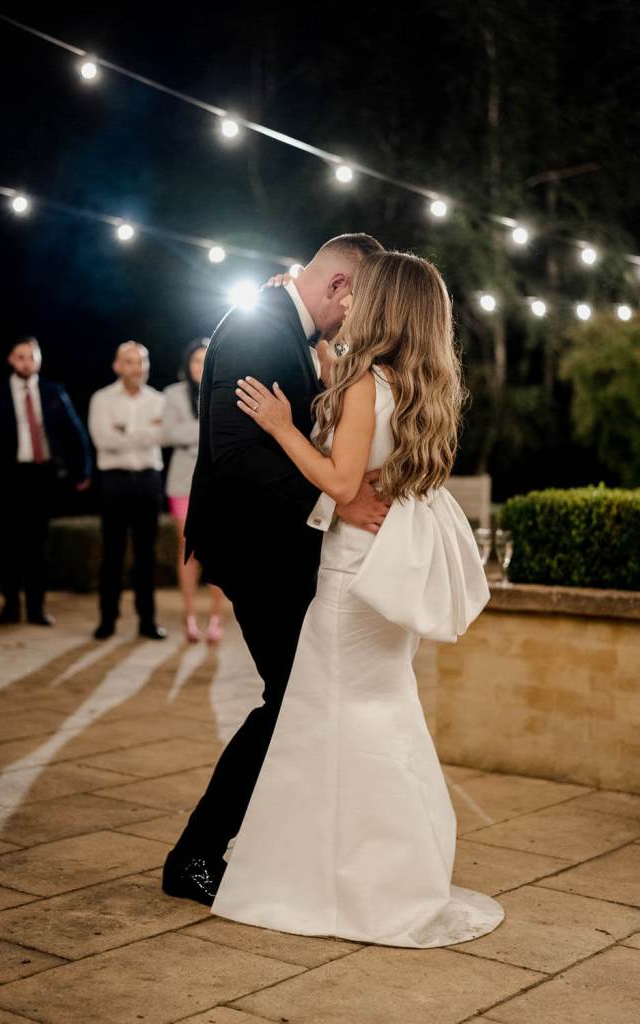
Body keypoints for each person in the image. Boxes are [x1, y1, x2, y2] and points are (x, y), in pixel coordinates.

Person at [210, 250, 504, 947]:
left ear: (385, 308)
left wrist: (282, 427)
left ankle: (350, 882)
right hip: (385, 571)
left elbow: (343, 487)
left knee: (337, 717)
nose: (352, 301)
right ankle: (386, 873)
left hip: (349, 580)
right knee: (381, 711)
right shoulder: (421, 386)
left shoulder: (364, 385)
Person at [162, 232, 389, 904]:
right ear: (338, 287)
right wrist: (334, 501)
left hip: (271, 541)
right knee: (290, 697)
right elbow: (236, 454)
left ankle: (277, 840)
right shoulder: (262, 328)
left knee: (300, 697)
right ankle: (195, 856)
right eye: (358, 302)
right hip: (252, 545)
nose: (356, 319)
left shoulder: (282, 326)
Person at [0, 336, 91, 626]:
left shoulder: (53, 392)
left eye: (32, 356)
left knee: (38, 546)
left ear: (38, 359)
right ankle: (11, 606)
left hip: (42, 477)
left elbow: (74, 432)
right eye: (21, 356)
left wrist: (82, 470)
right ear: (10, 360)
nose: (27, 362)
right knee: (9, 545)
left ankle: (37, 608)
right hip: (9, 478)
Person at [89, 341, 167, 641]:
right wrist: (145, 432)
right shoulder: (102, 398)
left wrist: (125, 431)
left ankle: (147, 621)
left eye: (142, 362)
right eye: (131, 362)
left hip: (149, 481)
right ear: (117, 366)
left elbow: (164, 434)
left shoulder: (159, 400)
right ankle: (107, 620)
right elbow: (104, 440)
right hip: (114, 482)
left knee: (147, 555)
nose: (138, 368)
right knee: (112, 554)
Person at [162, 339, 225, 643]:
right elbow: (169, 433)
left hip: (219, 483)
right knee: (188, 552)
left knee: (217, 551)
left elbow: (227, 435)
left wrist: (193, 432)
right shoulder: (172, 394)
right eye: (195, 361)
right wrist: (206, 429)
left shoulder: (224, 388)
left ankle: (216, 619)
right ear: (188, 365)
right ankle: (189, 618)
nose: (200, 366)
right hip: (182, 483)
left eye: (205, 360)